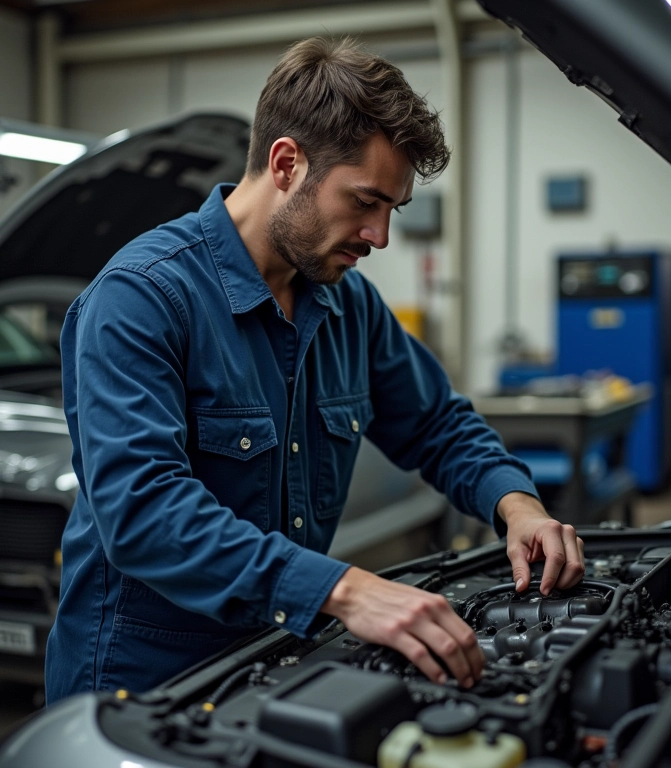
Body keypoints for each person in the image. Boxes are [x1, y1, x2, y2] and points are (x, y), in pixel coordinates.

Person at [45, 37, 584, 703]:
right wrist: (346, 590)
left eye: (392, 208)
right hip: (141, 689)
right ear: (286, 163)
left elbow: (437, 422)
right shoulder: (142, 298)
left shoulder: (346, 302)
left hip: (276, 663)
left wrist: (516, 504)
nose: (380, 236)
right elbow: (144, 511)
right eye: (364, 201)